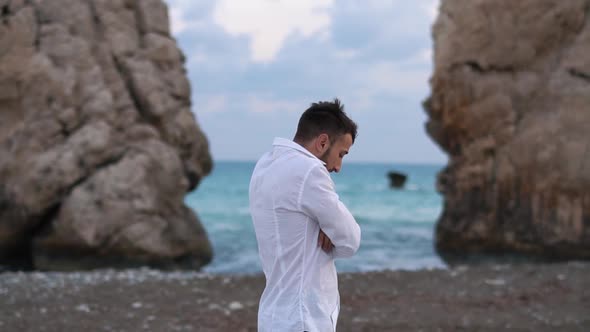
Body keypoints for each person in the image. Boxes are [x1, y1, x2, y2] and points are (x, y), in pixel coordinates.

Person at [249, 98, 361, 332]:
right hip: (303, 319)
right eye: (341, 154)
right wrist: (331, 232)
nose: (338, 167)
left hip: (273, 316)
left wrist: (326, 228)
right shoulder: (309, 170)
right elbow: (351, 240)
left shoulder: (265, 165)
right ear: (322, 142)